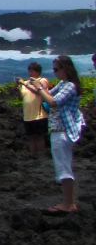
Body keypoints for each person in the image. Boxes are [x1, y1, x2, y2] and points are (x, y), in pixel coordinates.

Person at [24, 55, 85, 214]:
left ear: (66, 69)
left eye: (57, 69)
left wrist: (38, 88)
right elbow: (46, 95)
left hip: (63, 131)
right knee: (62, 166)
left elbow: (53, 102)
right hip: (58, 130)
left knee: (64, 168)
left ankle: (68, 204)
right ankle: (68, 202)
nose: (55, 72)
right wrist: (33, 85)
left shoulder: (70, 86)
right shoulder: (64, 84)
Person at [17, 62, 50, 155]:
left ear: (38, 71)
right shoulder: (25, 83)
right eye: (29, 70)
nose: (30, 72)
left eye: (32, 70)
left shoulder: (42, 80)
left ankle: (41, 156)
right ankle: (33, 156)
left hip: (39, 115)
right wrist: (19, 87)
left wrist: (25, 84)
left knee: (39, 137)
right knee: (31, 137)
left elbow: (39, 92)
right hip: (28, 115)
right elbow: (21, 97)